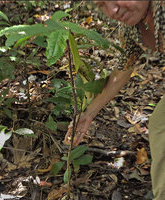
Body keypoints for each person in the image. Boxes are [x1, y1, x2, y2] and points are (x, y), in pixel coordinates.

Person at [64, 1, 165, 200]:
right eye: (102, 5)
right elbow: (123, 70)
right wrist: (88, 114)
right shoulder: (132, 27)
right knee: (160, 126)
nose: (112, 12)